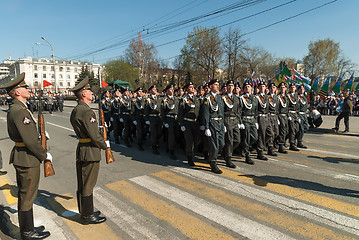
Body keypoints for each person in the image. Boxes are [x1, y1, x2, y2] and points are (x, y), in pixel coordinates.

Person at [0, 72, 52, 239]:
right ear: (16, 92)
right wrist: (44, 155)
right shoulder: (20, 111)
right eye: (24, 87)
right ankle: (27, 232)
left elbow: (30, 135)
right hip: (27, 157)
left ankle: (28, 228)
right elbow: (30, 141)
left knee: (27, 194)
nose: (27, 89)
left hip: (25, 156)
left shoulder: (19, 108)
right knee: (27, 195)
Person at [70, 77, 107, 225]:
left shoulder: (76, 110)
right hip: (90, 151)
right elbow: (94, 135)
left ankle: (85, 210)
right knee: (88, 184)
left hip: (82, 149)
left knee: (83, 182)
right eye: (89, 91)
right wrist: (105, 145)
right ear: (84, 94)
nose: (92, 93)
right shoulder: (86, 112)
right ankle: (87, 216)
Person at [202, 79, 224, 173]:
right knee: (215, 145)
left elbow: (222, 112)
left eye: (218, 84)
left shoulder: (219, 98)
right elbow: (205, 114)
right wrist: (206, 127)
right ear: (211, 86)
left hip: (220, 123)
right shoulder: (207, 98)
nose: (217, 86)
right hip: (212, 123)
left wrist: (223, 124)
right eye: (215, 84)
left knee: (221, 144)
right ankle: (213, 163)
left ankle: (211, 157)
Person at [178, 82, 201, 166]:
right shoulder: (183, 99)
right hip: (187, 122)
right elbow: (180, 112)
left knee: (198, 139)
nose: (192, 88)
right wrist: (181, 124)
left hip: (195, 122)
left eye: (193, 87)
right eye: (190, 87)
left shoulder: (197, 99)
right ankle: (190, 158)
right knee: (189, 141)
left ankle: (190, 151)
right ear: (186, 90)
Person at [222, 80, 242, 168]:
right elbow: (221, 111)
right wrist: (223, 123)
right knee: (229, 140)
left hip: (235, 120)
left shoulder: (237, 98)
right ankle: (228, 158)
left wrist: (239, 121)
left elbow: (239, 111)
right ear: (226, 87)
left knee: (237, 140)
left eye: (232, 85)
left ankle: (226, 152)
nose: (230, 87)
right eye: (229, 85)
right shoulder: (223, 98)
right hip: (227, 120)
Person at [239, 81, 258, 165]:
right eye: (246, 87)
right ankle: (247, 155)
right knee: (247, 137)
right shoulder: (241, 98)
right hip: (245, 119)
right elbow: (239, 111)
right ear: (243, 89)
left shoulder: (254, 98)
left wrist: (256, 121)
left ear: (251, 88)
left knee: (255, 137)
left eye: (249, 87)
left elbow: (256, 110)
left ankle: (243, 147)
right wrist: (240, 122)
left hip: (252, 120)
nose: (247, 88)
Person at [161, 84, 179, 160]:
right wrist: (164, 121)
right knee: (171, 136)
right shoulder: (164, 100)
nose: (172, 90)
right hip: (169, 119)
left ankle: (169, 146)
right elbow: (162, 111)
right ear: (167, 91)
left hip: (176, 119)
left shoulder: (176, 99)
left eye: (172, 89)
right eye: (170, 89)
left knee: (177, 135)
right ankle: (171, 151)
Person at [145, 85, 162, 154]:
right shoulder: (148, 99)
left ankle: (156, 142)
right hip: (152, 117)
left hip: (159, 117)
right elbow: (146, 110)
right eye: (153, 89)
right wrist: (147, 119)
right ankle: (153, 146)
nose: (154, 90)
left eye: (155, 89)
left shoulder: (159, 98)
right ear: (150, 91)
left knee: (159, 132)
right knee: (154, 133)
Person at [277, 82, 289, 154]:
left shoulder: (287, 97)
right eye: (281, 88)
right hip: (280, 115)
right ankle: (280, 146)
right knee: (282, 131)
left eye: (284, 87)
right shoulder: (278, 97)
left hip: (286, 116)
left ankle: (281, 142)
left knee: (286, 131)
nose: (282, 89)